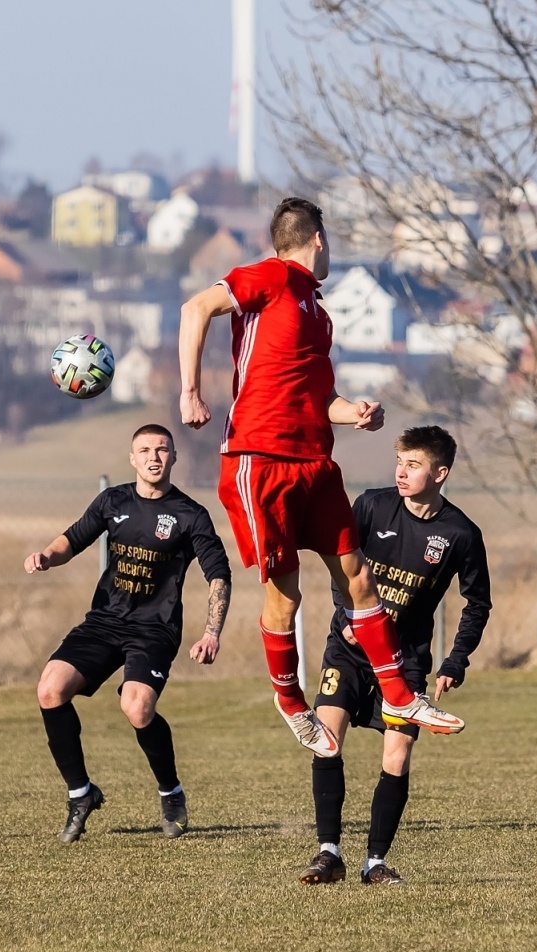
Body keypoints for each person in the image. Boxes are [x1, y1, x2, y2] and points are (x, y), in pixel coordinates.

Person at [177, 195, 464, 758]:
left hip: (315, 462)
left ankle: (399, 693)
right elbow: (195, 309)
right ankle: (291, 704)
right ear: (317, 239)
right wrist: (189, 390)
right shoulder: (271, 276)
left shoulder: (317, 310)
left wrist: (352, 411)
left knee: (357, 578)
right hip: (260, 460)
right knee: (286, 593)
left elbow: (318, 398)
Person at [298, 426, 491, 887]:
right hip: (349, 648)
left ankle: (375, 863)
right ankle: (328, 854)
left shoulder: (460, 533)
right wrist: (346, 612)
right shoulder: (370, 505)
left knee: (397, 754)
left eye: (414, 464)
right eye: (400, 462)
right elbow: (338, 558)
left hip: (405, 661)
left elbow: (478, 603)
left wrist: (455, 661)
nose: (401, 472)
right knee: (326, 737)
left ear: (440, 473)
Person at [25, 424, 232, 843]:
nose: (154, 456)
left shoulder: (191, 515)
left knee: (137, 709)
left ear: (174, 457)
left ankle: (171, 791)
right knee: (50, 690)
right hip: (104, 620)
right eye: (145, 450)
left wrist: (212, 631)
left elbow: (219, 575)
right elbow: (73, 538)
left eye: (162, 449)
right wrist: (47, 555)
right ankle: (81, 794)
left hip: (154, 629)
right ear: (132, 458)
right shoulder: (113, 500)